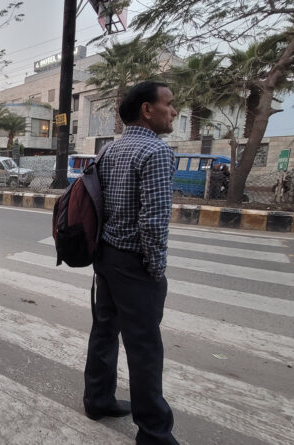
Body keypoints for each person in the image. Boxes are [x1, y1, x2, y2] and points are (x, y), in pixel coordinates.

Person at [83, 81, 179, 444]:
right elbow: (153, 221)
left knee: (104, 331)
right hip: (135, 263)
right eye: (169, 104)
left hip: (106, 256)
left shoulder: (109, 149)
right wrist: (156, 269)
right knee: (145, 348)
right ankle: (154, 433)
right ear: (147, 110)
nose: (174, 111)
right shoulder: (156, 151)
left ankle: (97, 399)